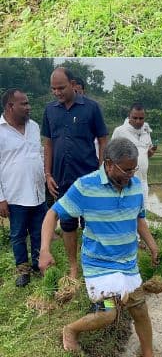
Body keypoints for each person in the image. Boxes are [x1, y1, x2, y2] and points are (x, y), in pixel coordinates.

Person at [39, 138, 159, 357]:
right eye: (126, 170)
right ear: (109, 164)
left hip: (128, 263)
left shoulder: (135, 186)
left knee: (140, 309)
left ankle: (148, 353)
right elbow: (53, 213)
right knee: (107, 313)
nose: (131, 175)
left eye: (134, 169)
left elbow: (139, 219)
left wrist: (152, 245)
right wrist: (45, 250)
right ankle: (71, 329)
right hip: (99, 265)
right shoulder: (86, 186)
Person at [42, 66, 108, 280]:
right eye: (53, 89)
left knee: (91, 224)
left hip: (88, 177)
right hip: (62, 179)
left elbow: (103, 140)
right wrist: (48, 174)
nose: (57, 92)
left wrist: (102, 171)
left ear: (72, 84)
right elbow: (48, 143)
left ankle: (93, 264)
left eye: (61, 88)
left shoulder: (91, 108)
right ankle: (73, 267)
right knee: (67, 224)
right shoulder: (50, 110)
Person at [0, 89, 46, 287]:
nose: (29, 107)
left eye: (28, 103)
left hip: (38, 192)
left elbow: (41, 154)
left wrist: (46, 178)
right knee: (18, 235)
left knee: (39, 232)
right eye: (24, 104)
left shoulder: (33, 126)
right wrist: (1, 198)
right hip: (15, 194)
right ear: (10, 106)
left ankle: (38, 265)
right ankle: (23, 270)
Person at [111, 104, 156, 192]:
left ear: (145, 118)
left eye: (141, 118)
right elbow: (111, 155)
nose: (138, 121)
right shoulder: (119, 131)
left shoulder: (146, 131)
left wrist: (149, 153)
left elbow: (145, 154)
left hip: (143, 182)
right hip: (125, 183)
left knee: (144, 201)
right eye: (135, 118)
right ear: (129, 117)